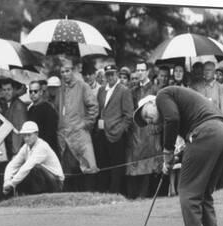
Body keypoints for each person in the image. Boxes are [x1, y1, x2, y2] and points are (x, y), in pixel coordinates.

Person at [134, 86, 223, 226]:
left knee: (188, 193)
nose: (148, 120)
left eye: (145, 114)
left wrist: (167, 152)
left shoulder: (162, 96)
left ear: (151, 102)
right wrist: (172, 157)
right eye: (146, 122)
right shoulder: (176, 104)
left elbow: (172, 119)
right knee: (203, 195)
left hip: (207, 131)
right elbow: (181, 129)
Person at [57, 55, 99, 191]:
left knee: (88, 166)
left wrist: (86, 124)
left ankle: (89, 195)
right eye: (62, 72)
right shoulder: (62, 89)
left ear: (73, 70)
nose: (65, 74)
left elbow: (93, 106)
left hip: (80, 134)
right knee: (69, 169)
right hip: (66, 136)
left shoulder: (83, 86)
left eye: (67, 71)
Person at [125, 60, 163, 199]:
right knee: (135, 163)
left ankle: (145, 193)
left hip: (151, 131)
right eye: (138, 70)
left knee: (150, 164)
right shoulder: (133, 90)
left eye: (142, 70)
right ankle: (135, 194)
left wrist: (157, 127)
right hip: (137, 131)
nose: (140, 73)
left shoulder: (155, 89)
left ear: (147, 72)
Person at [94, 64, 134, 194]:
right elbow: (100, 111)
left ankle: (115, 192)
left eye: (112, 74)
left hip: (116, 134)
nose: (110, 77)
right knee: (103, 164)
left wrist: (120, 129)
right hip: (102, 133)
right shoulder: (101, 90)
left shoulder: (123, 90)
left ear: (116, 74)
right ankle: (103, 191)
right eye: (108, 74)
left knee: (117, 166)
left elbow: (129, 115)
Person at [3, 121, 64, 196]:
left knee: (34, 168)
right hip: (46, 179)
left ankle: (38, 196)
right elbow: (13, 164)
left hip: (56, 182)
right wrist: (7, 181)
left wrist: (12, 184)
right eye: (24, 135)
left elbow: (28, 166)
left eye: (29, 135)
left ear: (36, 134)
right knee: (22, 171)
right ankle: (26, 196)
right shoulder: (25, 147)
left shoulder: (42, 147)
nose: (26, 138)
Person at [27, 80, 59, 156]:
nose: (32, 94)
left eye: (35, 91)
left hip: (47, 151)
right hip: (34, 149)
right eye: (30, 91)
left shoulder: (48, 109)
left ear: (41, 92)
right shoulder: (31, 109)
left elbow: (51, 133)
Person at [0, 80, 28, 158]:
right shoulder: (7, 105)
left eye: (9, 89)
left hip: (15, 148)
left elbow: (18, 130)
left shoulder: (18, 106)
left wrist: (16, 152)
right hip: (9, 146)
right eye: (4, 90)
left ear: (14, 90)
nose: (6, 92)